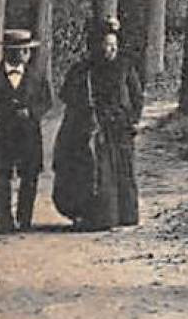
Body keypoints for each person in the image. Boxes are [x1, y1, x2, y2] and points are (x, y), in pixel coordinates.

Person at [54, 17, 145, 230]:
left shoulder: (125, 67)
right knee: (92, 173)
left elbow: (137, 97)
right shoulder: (82, 70)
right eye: (106, 45)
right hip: (91, 129)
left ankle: (125, 214)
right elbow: (68, 97)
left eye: (114, 45)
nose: (110, 50)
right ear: (96, 46)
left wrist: (132, 120)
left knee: (122, 171)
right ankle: (94, 217)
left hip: (119, 129)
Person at [0, 29, 53, 233]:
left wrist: (33, 112)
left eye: (27, 50)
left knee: (30, 176)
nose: (26, 54)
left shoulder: (37, 75)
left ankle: (24, 220)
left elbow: (47, 101)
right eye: (21, 51)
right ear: (9, 52)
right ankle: (4, 222)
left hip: (28, 134)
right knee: (0, 176)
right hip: (1, 135)